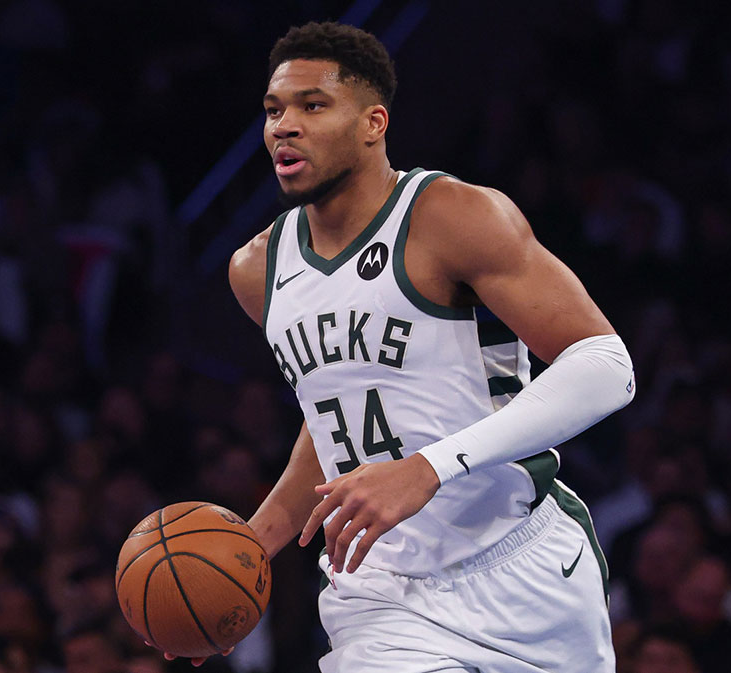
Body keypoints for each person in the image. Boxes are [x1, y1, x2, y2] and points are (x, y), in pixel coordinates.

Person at [164, 21, 634, 671]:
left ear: (373, 123)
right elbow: (337, 412)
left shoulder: (452, 216)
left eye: (312, 106)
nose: (284, 126)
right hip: (380, 591)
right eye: (273, 110)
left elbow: (607, 367)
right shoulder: (257, 270)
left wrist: (428, 467)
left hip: (523, 562)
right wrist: (247, 548)